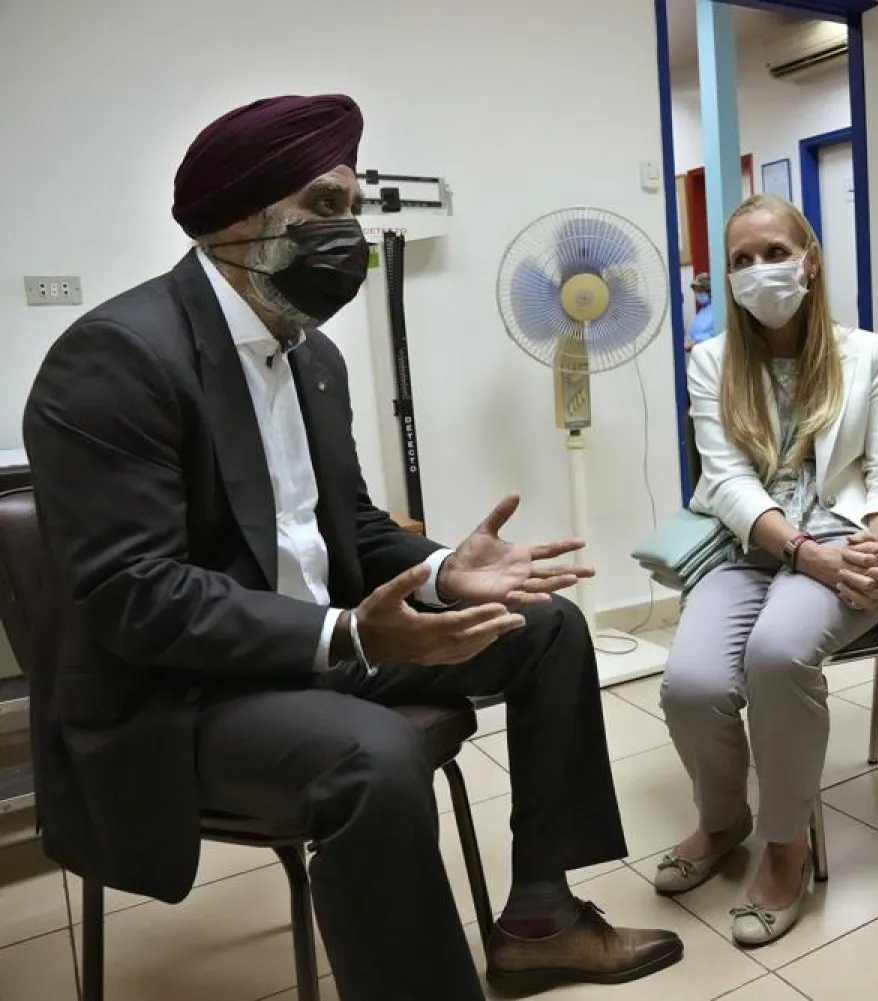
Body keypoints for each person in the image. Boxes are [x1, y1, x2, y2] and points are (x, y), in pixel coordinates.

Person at [21, 94, 681, 1001]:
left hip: (319, 649)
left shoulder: (311, 356)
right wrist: (351, 637)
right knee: (372, 756)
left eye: (352, 206)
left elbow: (353, 527)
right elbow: (139, 597)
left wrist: (448, 570)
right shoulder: (116, 359)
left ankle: (541, 921)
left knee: (550, 626)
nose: (352, 233)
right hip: (180, 689)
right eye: (324, 208)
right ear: (239, 220)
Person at [654, 194, 878, 947]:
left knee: (777, 654)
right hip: (758, 548)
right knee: (692, 684)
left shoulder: (863, 352)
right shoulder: (711, 362)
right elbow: (731, 483)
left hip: (854, 536)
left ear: (811, 259)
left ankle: (785, 845)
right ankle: (723, 817)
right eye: (741, 260)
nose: (759, 270)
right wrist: (805, 554)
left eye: (775, 252)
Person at [686, 272, 719, 351]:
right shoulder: (702, 312)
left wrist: (695, 342)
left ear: (709, 291)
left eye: (700, 291)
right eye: (696, 291)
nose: (697, 294)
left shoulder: (716, 310)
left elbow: (716, 335)